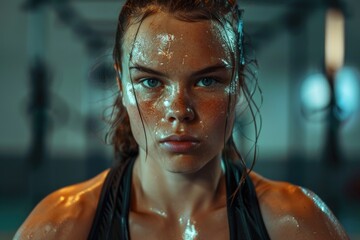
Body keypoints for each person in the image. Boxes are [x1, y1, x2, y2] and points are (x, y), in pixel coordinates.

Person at [14, 0, 350, 239]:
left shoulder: (296, 223)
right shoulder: (59, 226)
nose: (179, 110)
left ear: (239, 83)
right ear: (120, 84)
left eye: (207, 81)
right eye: (151, 81)